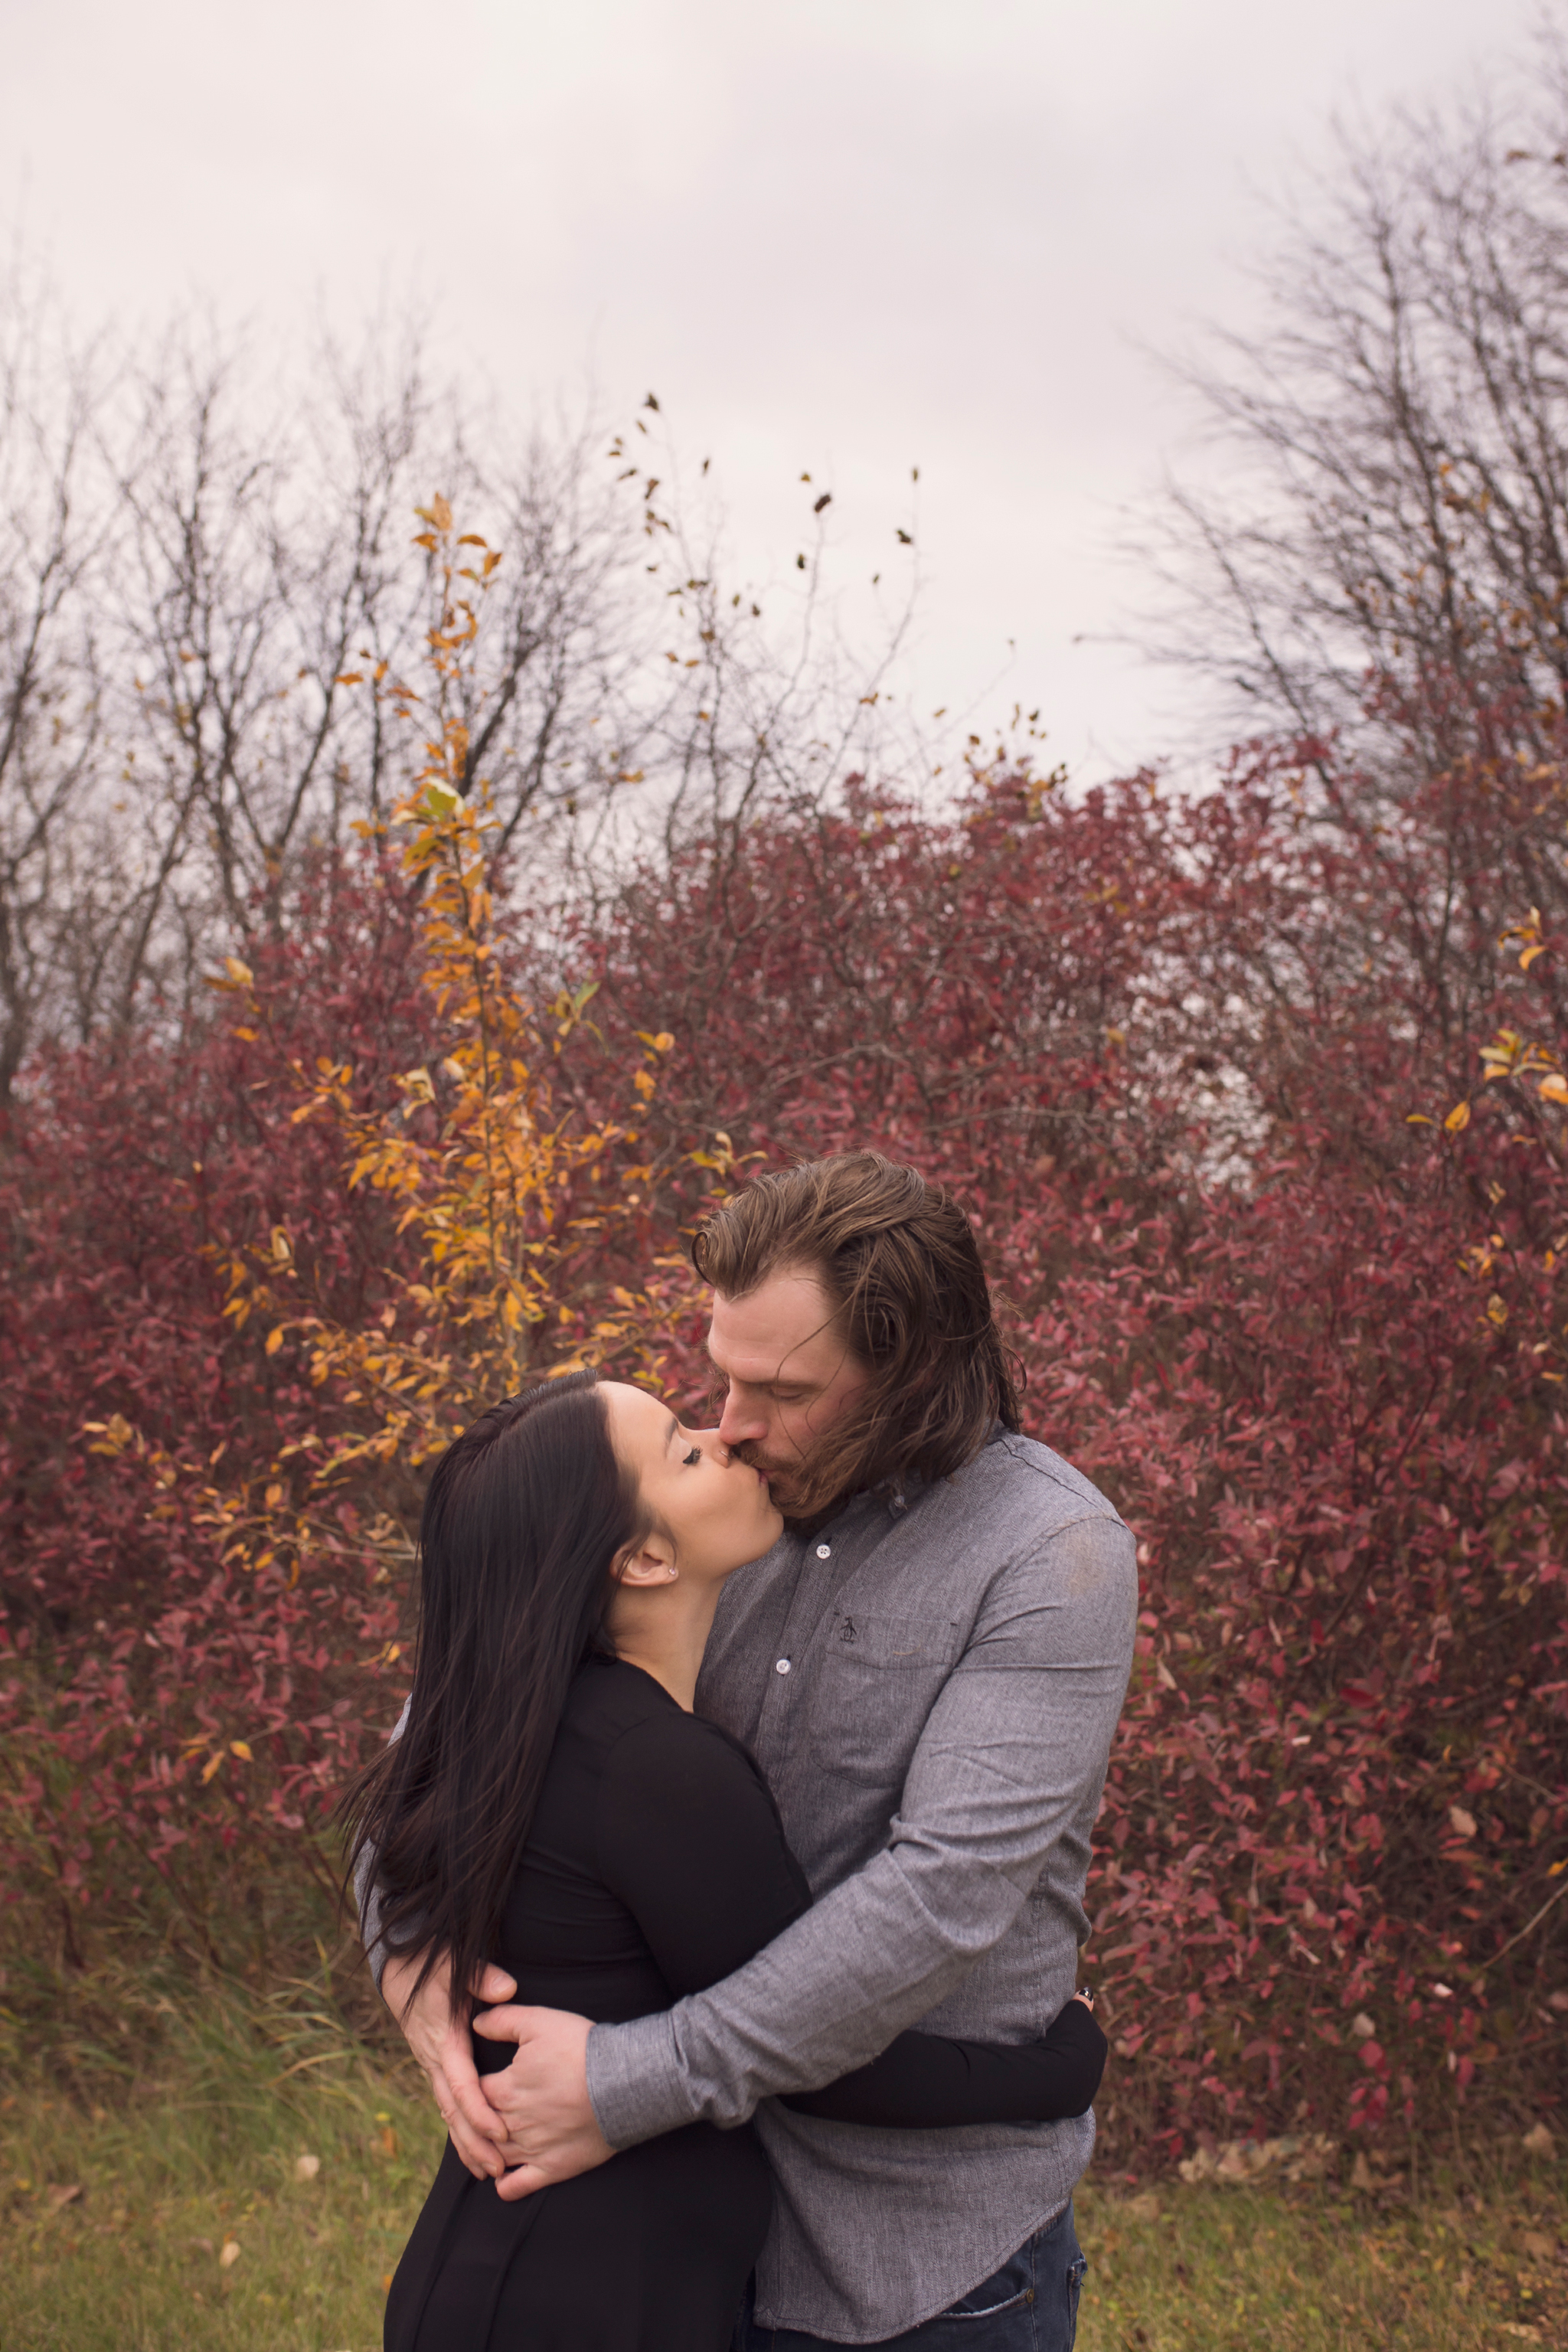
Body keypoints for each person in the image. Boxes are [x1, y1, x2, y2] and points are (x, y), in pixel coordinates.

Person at [364, 1151, 1137, 2349]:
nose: (730, 1423)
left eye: (780, 1389)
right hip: (668, 2248)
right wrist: (407, 1948)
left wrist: (627, 2083)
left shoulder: (1051, 1555)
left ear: (909, 1373)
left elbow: (939, 1898)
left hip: (919, 2264)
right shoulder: (706, 1502)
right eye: (721, 1373)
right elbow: (460, 1709)